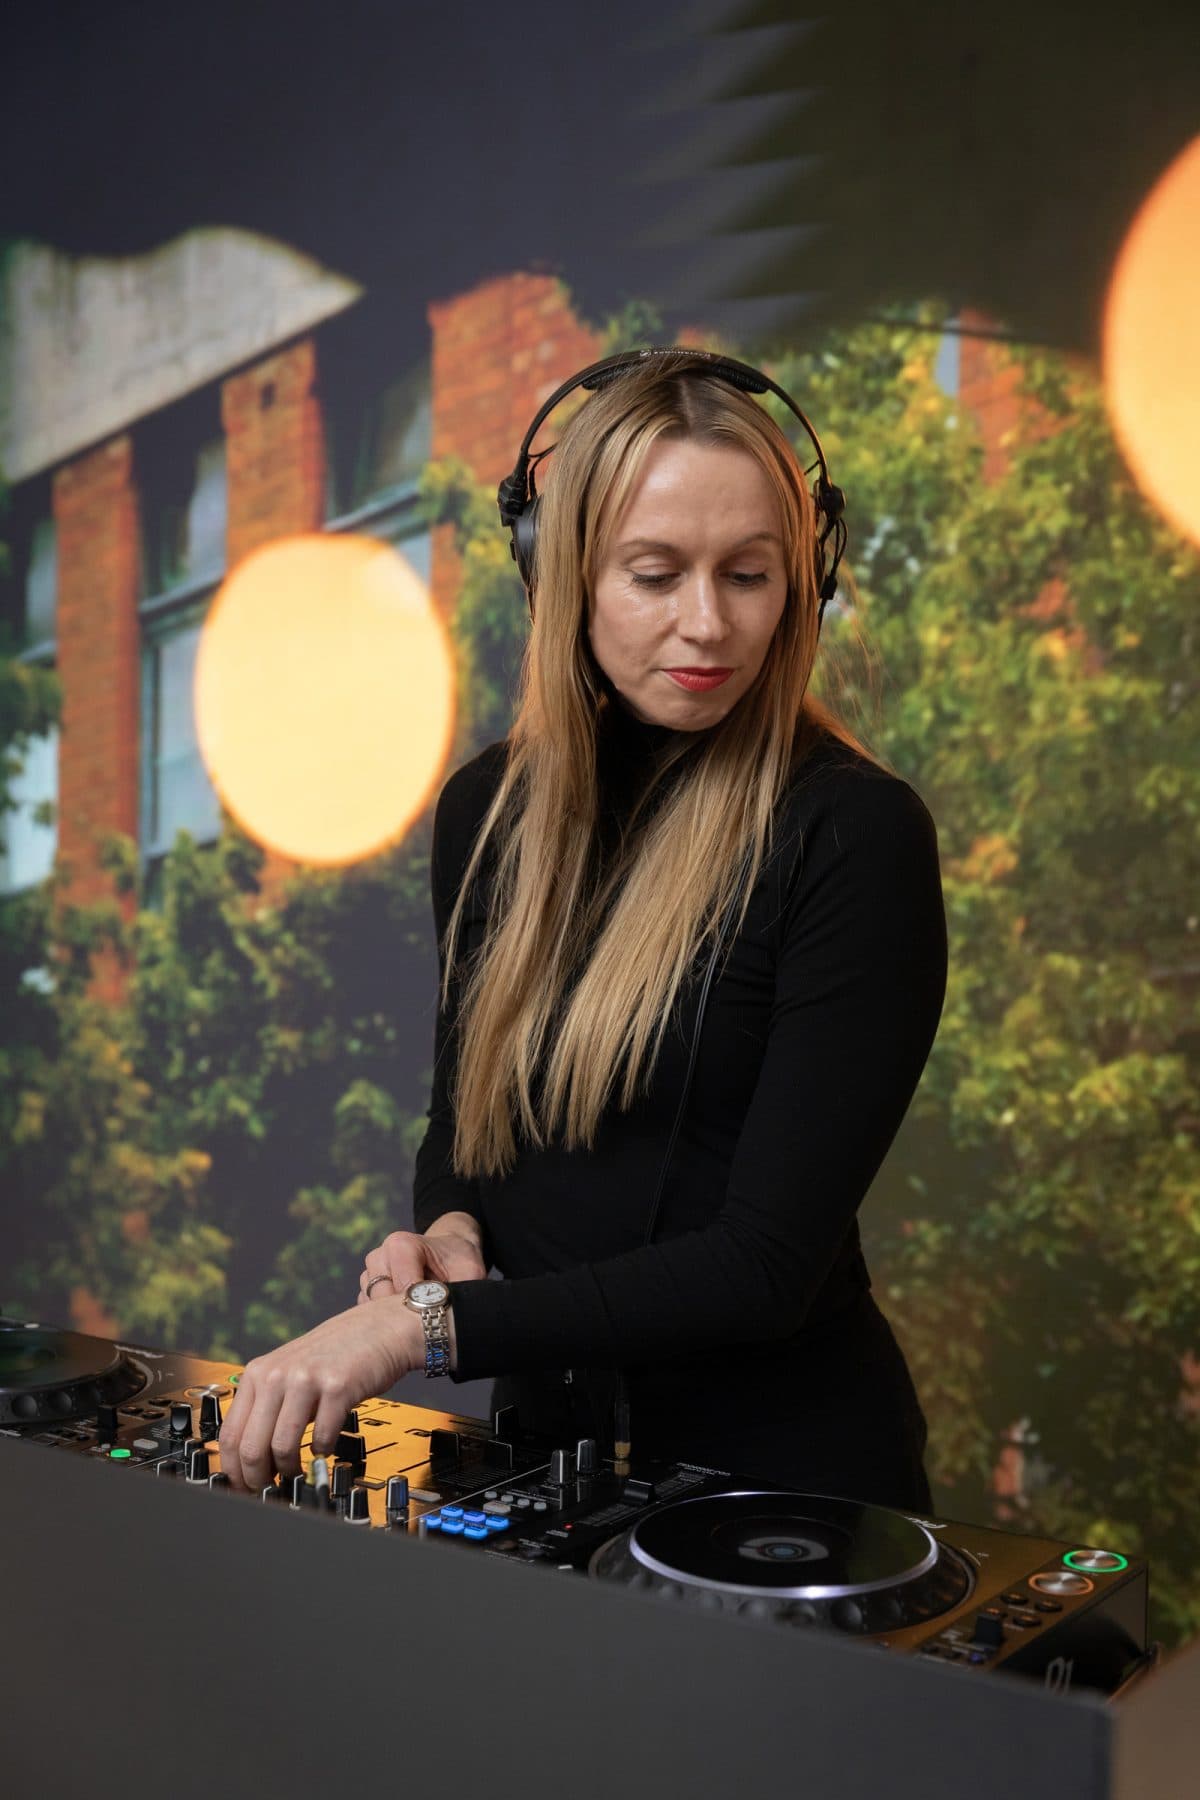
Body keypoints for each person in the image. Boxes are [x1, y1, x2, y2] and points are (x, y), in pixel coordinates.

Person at [218, 353, 948, 1514]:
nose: (707, 623)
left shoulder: (853, 836)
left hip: (787, 1490)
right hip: (545, 1458)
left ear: (805, 577)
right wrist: (446, 1229)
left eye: (750, 574)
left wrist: (422, 1332)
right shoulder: (487, 811)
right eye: (655, 574)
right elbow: (465, 1129)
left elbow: (763, 1269)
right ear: (557, 572)